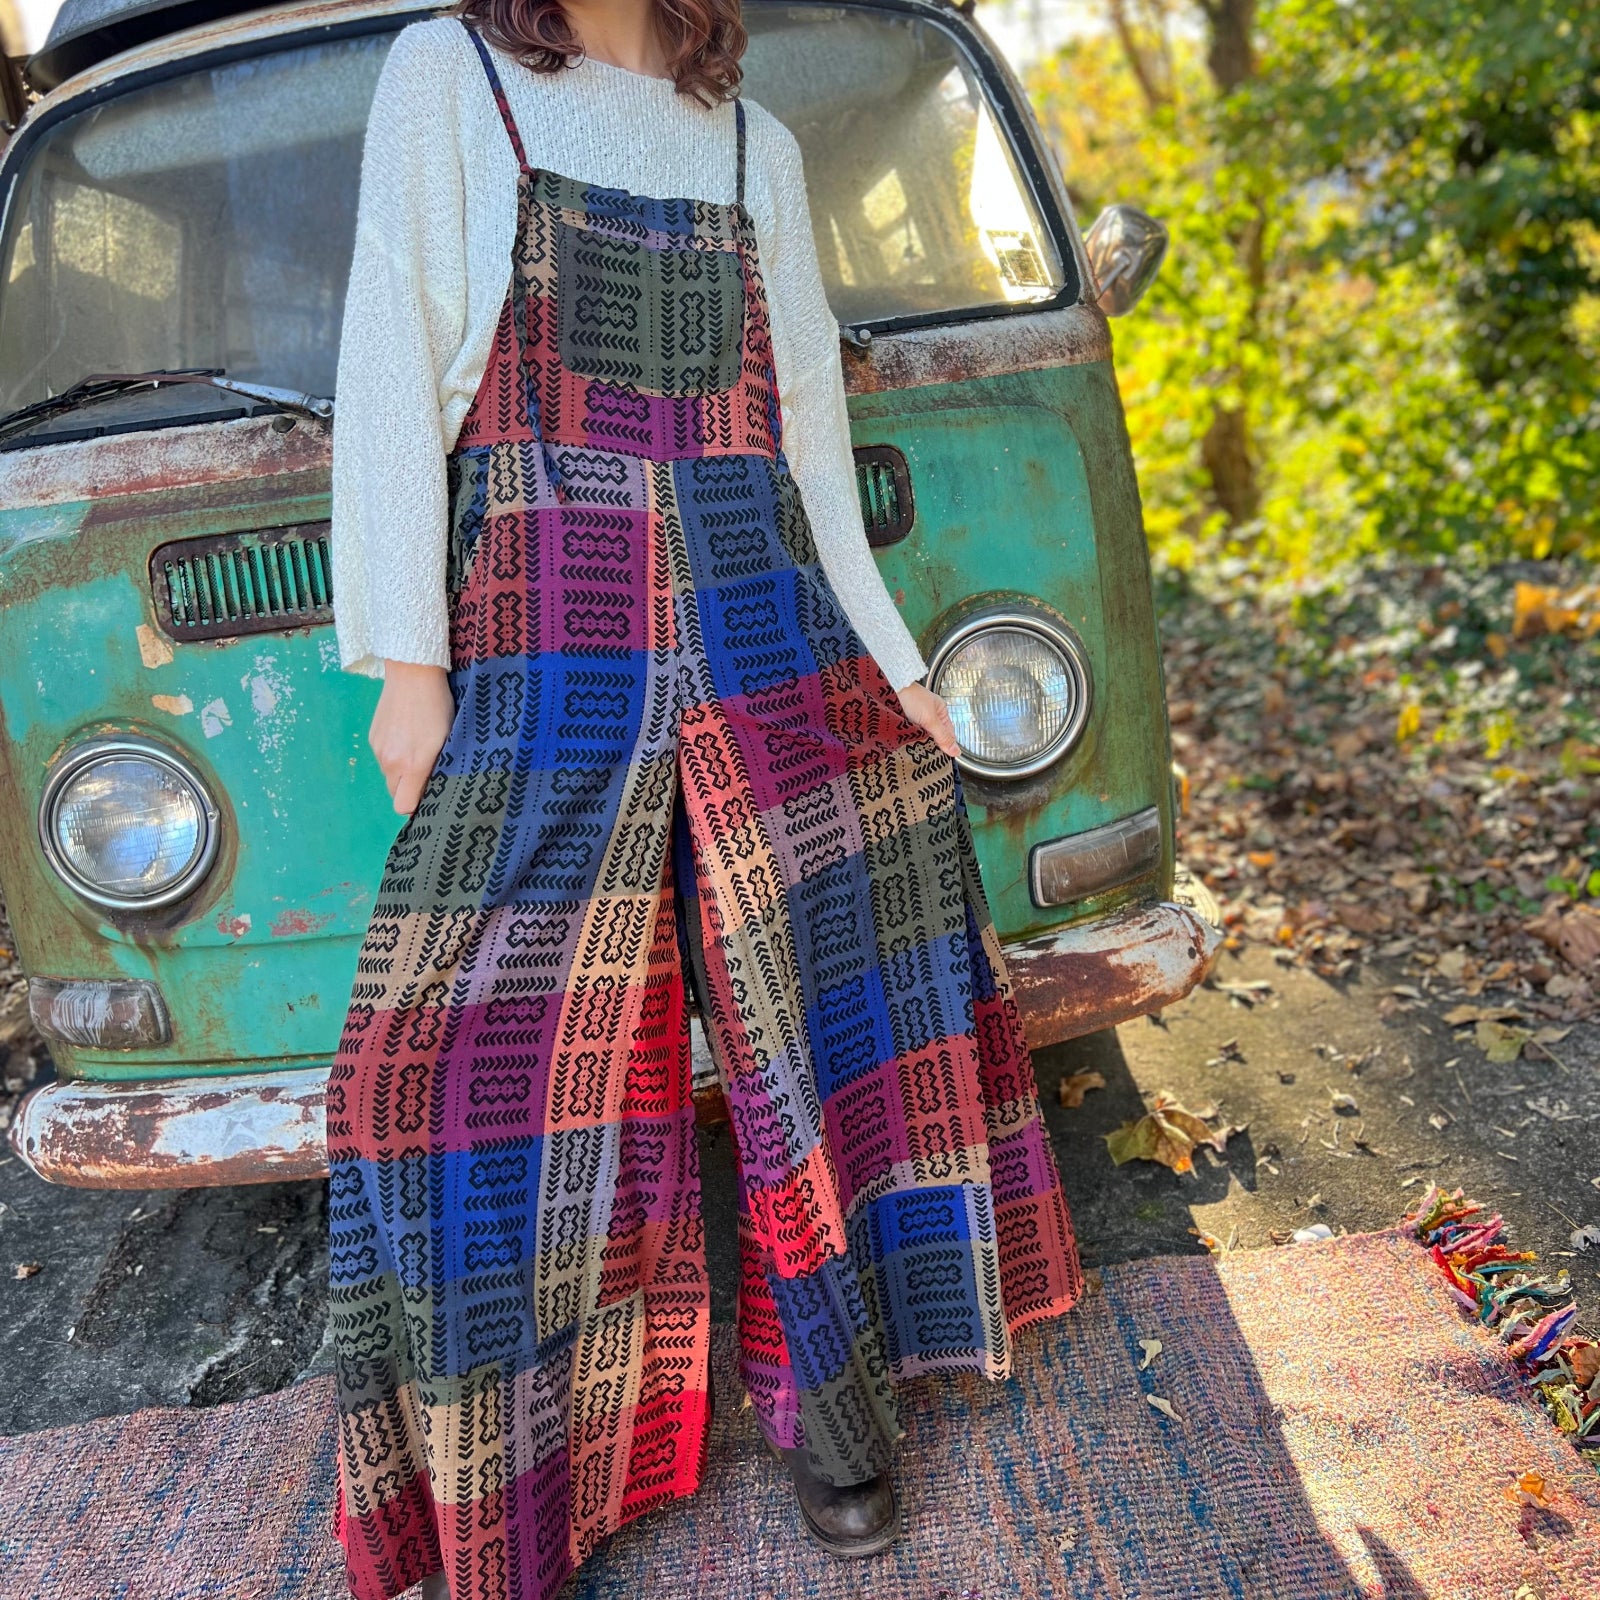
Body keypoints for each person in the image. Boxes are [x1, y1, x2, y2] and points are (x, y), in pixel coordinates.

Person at [325, 1, 1084, 1595]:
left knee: (820, 1015)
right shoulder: (447, 77)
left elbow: (810, 439)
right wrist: (407, 659)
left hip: (763, 618)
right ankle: (526, 1487)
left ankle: (838, 1412)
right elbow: (390, 363)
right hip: (547, 624)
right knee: (466, 1076)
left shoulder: (756, 143)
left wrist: (893, 666)